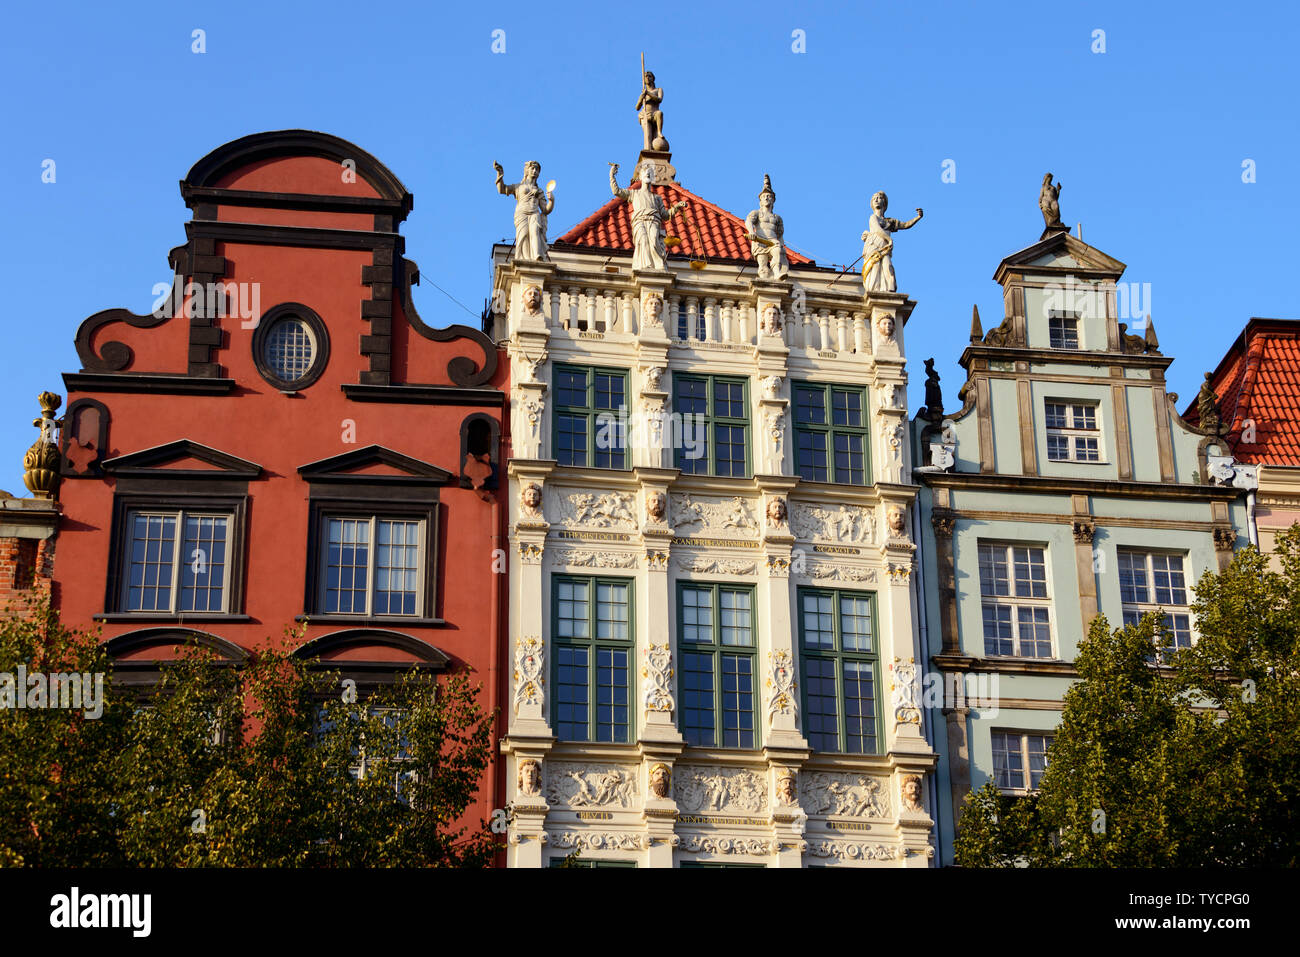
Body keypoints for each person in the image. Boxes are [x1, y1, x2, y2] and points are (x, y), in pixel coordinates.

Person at [609, 162, 686, 271]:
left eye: (650, 173)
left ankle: (657, 266)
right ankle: (645, 266)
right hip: (639, 222)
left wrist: (677, 206)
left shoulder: (657, 198)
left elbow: (665, 215)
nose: (648, 175)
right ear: (640, 177)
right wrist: (612, 175)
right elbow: (616, 191)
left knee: (654, 242)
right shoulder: (634, 193)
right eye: (645, 173)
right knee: (643, 241)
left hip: (654, 222)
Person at [861, 191, 922, 293]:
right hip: (874, 247)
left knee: (888, 268)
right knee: (875, 268)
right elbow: (877, 230)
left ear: (884, 202)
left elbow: (905, 225)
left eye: (879, 198)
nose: (876, 200)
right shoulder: (873, 217)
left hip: (885, 248)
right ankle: (874, 291)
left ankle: (889, 290)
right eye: (874, 198)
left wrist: (918, 217)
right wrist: (889, 239)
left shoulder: (889, 221)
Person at [493, 160, 553, 261]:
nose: (535, 171)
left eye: (537, 170)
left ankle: (537, 256)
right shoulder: (518, 186)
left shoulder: (539, 191)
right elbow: (502, 189)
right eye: (532, 168)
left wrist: (551, 200)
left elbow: (545, 210)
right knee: (523, 235)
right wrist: (500, 174)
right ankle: (522, 258)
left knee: (535, 233)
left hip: (534, 212)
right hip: (522, 213)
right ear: (527, 170)